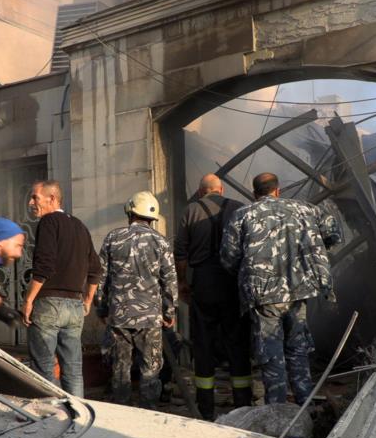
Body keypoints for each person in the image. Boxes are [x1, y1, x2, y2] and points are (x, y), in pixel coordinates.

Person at [220, 173, 341, 405]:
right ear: (278, 190)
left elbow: (228, 257)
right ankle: (305, 405)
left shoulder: (242, 215)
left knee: (270, 351)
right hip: (298, 290)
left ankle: (277, 409)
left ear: (255, 193)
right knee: (298, 348)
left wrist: (247, 274)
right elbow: (333, 234)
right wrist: (310, 255)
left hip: (263, 295)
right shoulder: (306, 210)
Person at [174, 173, 252, 420]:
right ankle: (243, 404)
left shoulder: (190, 211)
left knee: (203, 344)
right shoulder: (239, 209)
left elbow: (181, 254)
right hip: (232, 282)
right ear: (221, 189)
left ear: (200, 192)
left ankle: (205, 408)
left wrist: (183, 283)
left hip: (204, 283)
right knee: (237, 342)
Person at [95, 191, 178, 408]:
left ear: (130, 212)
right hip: (150, 318)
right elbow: (169, 282)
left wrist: (102, 309)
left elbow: (100, 278)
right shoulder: (160, 242)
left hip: (118, 317)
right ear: (152, 219)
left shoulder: (113, 238)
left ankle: (122, 412)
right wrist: (169, 313)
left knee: (120, 368)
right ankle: (148, 414)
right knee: (151, 370)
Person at [24, 180, 102, 397]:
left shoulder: (48, 222)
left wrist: (29, 300)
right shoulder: (80, 226)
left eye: (35, 197)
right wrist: (87, 300)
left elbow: (44, 266)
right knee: (74, 369)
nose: (31, 203)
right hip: (75, 307)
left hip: (48, 304)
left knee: (43, 369)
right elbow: (95, 268)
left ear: (52, 199)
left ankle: (53, 417)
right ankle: (77, 417)